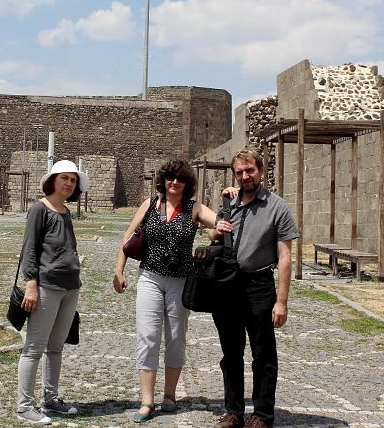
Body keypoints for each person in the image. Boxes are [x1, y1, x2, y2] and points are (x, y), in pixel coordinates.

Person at [113, 159, 219, 423]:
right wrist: (119, 271)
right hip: (150, 277)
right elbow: (128, 239)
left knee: (175, 338)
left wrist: (227, 206)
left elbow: (221, 222)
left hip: (180, 281)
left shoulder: (193, 209)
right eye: (171, 177)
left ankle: (169, 395)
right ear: (163, 179)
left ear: (188, 183)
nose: (175, 182)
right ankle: (147, 400)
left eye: (181, 179)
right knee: (147, 336)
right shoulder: (150, 205)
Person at [209, 150, 298, 428]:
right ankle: (233, 411)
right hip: (228, 286)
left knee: (263, 354)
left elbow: (285, 257)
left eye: (250, 170)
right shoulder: (230, 204)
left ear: (261, 171)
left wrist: (281, 301)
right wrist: (216, 230)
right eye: (240, 172)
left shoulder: (278, 207)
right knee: (231, 352)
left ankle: (262, 415)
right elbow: (213, 238)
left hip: (259, 286)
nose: (245, 176)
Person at [15, 160, 89, 425]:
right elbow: (30, 248)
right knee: (33, 348)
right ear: (53, 181)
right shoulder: (40, 209)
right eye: (64, 178)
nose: (69, 183)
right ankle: (24, 406)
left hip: (71, 287)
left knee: (56, 347)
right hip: (46, 286)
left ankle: (50, 399)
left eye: (73, 180)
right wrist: (31, 284)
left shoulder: (66, 212)